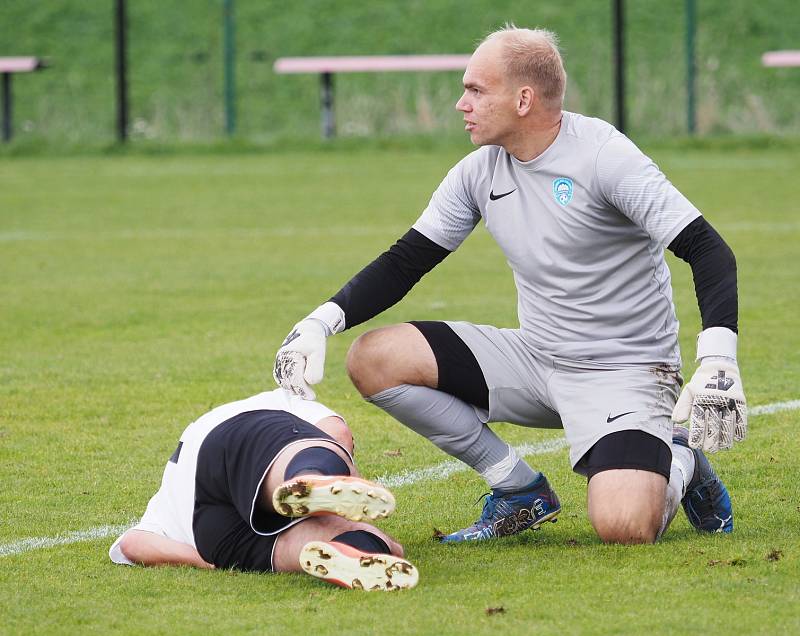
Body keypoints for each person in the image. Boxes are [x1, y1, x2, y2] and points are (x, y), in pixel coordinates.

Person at [273, 26, 747, 545]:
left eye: (476, 90)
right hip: (537, 358)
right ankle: (518, 489)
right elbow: (407, 260)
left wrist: (718, 360)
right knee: (373, 358)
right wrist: (321, 321)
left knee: (624, 527)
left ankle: (679, 457)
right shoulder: (478, 171)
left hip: (625, 371)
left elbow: (707, 249)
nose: (461, 104)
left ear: (524, 99)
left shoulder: (604, 156)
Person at [109, 388, 419, 591]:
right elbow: (339, 433)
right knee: (312, 460)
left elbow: (132, 544)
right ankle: (312, 476)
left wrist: (205, 561)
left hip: (213, 534)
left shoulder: (165, 497)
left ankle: (352, 551)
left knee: (388, 546)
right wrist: (346, 467)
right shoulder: (281, 399)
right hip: (229, 440)